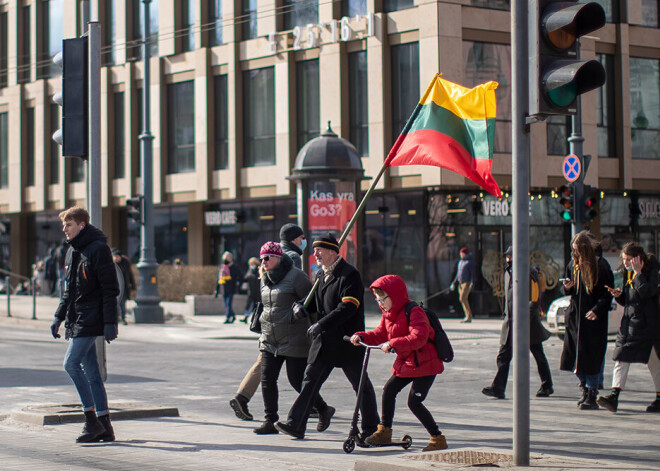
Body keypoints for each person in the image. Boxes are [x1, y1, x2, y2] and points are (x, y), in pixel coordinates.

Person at [275, 233, 379, 440]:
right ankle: (296, 424)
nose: (315, 254)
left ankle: (371, 428)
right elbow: (313, 301)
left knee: (361, 386)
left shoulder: (349, 274)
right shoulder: (322, 275)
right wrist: (301, 306)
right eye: (314, 250)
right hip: (324, 342)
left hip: (347, 341)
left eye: (319, 250)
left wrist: (320, 323)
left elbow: (348, 307)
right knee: (309, 382)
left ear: (333, 251)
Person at [350, 274, 447, 452]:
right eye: (377, 299)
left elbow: (419, 338)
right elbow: (380, 333)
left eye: (383, 299)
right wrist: (361, 336)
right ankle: (384, 430)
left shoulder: (414, 311)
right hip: (409, 361)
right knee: (389, 390)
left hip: (426, 363)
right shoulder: (388, 315)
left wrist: (392, 343)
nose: (380, 303)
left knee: (414, 403)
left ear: (394, 295)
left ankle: (437, 437)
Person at [50, 206, 119, 443]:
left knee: (70, 364)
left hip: (92, 319)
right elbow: (69, 290)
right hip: (77, 319)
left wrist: (110, 322)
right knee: (92, 374)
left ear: (81, 225)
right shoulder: (72, 252)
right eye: (63, 225)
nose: (65, 230)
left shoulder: (98, 249)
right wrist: (58, 316)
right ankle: (105, 427)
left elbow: (110, 289)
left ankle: (91, 421)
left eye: (68, 225)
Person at [253, 242, 335, 434]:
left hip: (294, 338)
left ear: (278, 257)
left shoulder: (296, 276)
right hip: (269, 338)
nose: (263, 262)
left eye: (267, 258)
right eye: (261, 258)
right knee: (267, 380)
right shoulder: (264, 278)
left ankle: (323, 409)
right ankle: (270, 420)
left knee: (297, 380)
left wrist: (314, 327)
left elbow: (313, 301)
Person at [482, 246, 553, 400]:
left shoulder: (529, 273)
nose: (508, 259)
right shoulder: (509, 273)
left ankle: (547, 385)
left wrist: (523, 320)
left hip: (527, 324)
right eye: (508, 256)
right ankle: (498, 388)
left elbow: (534, 300)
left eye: (510, 256)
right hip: (511, 323)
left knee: (538, 354)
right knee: (503, 356)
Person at [597, 242, 660, 413]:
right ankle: (613, 396)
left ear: (638, 258)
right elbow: (630, 300)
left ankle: (659, 398)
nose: (625, 263)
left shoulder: (651, 271)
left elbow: (647, 292)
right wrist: (619, 296)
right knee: (620, 358)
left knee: (655, 362)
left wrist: (639, 273)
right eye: (624, 259)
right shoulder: (628, 273)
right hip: (631, 325)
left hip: (649, 327)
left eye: (629, 259)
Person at [560, 230, 613, 410]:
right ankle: (584, 387)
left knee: (592, 355)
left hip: (592, 319)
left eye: (577, 250)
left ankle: (592, 391)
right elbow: (570, 289)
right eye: (572, 250)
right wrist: (567, 288)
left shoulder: (600, 266)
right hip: (576, 316)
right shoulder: (572, 265)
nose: (574, 254)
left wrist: (597, 309)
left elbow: (606, 294)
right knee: (574, 354)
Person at [215, 251, 242, 323]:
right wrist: (216, 290)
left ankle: (228, 317)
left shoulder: (234, 267)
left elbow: (240, 277)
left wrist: (238, 286)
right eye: (225, 258)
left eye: (228, 258)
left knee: (228, 303)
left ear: (231, 258)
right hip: (223, 288)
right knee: (226, 304)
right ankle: (232, 316)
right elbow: (218, 279)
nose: (226, 259)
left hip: (231, 288)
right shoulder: (221, 267)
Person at [112, 248, 136, 325]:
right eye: (114, 256)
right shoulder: (109, 264)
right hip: (112, 287)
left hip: (123, 287)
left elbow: (130, 275)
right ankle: (115, 318)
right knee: (114, 304)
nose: (116, 258)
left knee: (122, 304)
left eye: (117, 256)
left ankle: (123, 318)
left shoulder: (125, 263)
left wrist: (133, 285)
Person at [452, 247, 476, 323]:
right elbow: (458, 273)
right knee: (462, 299)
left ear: (465, 254)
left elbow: (472, 273)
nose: (461, 255)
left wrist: (472, 282)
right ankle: (468, 315)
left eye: (462, 253)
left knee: (462, 298)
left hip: (466, 282)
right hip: (460, 283)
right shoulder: (460, 262)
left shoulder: (469, 262)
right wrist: (454, 282)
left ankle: (468, 315)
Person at [241, 257, 261, 323]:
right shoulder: (249, 271)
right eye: (251, 264)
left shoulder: (259, 271)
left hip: (258, 292)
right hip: (251, 291)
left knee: (257, 306)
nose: (252, 265)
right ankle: (246, 317)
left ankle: (256, 319)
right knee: (249, 305)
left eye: (253, 264)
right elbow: (245, 278)